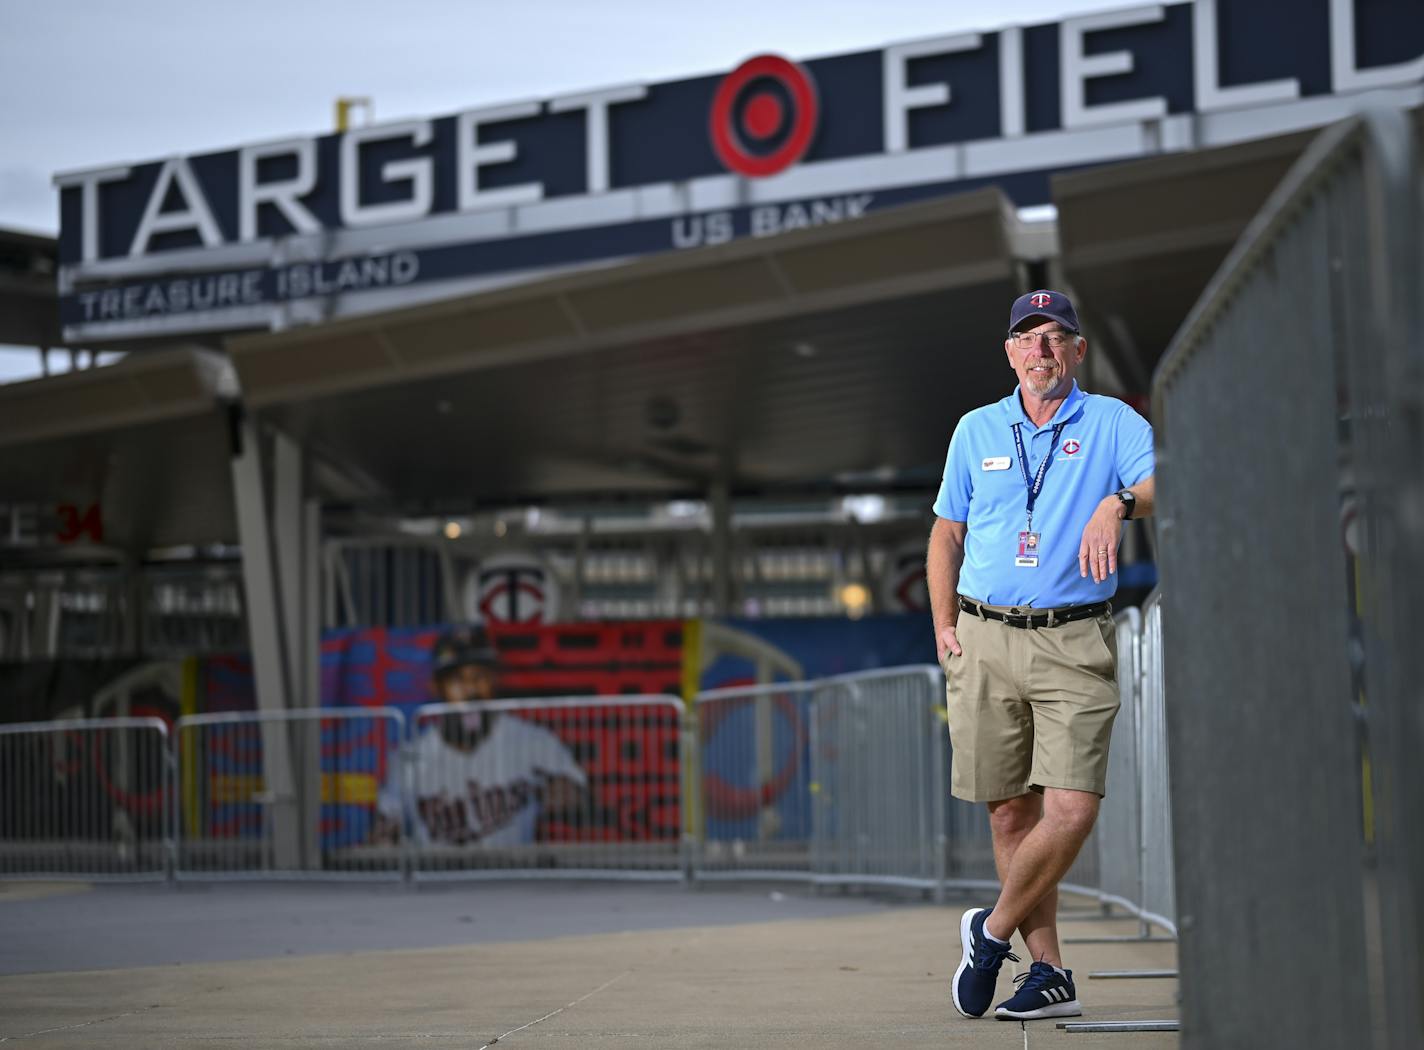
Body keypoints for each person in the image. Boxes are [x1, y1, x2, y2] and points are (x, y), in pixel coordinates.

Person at [925, 289, 1154, 1022]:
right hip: (984, 636)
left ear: (1078, 352)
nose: (1041, 352)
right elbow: (946, 535)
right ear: (1010, 353)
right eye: (1028, 339)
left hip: (1073, 634)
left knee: (1073, 806)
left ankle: (989, 935)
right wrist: (942, 626)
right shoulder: (976, 428)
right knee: (1009, 815)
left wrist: (1117, 504)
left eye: (1056, 338)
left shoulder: (1114, 421)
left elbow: (1159, 480)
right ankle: (1048, 971)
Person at [373, 625, 588, 847]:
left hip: (512, 876)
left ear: (495, 680)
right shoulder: (412, 757)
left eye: (480, 677)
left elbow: (577, 789)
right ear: (436, 687)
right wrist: (385, 834)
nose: (471, 690)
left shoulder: (529, 740)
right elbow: (387, 820)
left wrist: (566, 791)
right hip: (437, 878)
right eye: (457, 680)